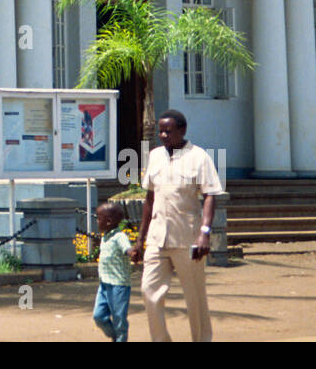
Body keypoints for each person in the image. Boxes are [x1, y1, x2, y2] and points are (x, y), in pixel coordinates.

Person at [128, 111, 223, 342]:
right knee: (149, 292)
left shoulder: (199, 157)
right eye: (160, 131)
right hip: (157, 237)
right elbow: (150, 198)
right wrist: (140, 239)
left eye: (168, 131)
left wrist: (205, 233)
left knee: (195, 298)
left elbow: (210, 195)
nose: (162, 135)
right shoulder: (155, 156)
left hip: (187, 239)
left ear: (182, 131)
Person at [91, 201, 132, 342]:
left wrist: (131, 252)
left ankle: (120, 337)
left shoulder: (120, 237)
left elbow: (127, 248)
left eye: (98, 218)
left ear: (108, 221)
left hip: (119, 285)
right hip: (104, 283)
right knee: (99, 316)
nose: (97, 221)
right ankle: (115, 336)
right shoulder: (105, 236)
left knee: (119, 318)